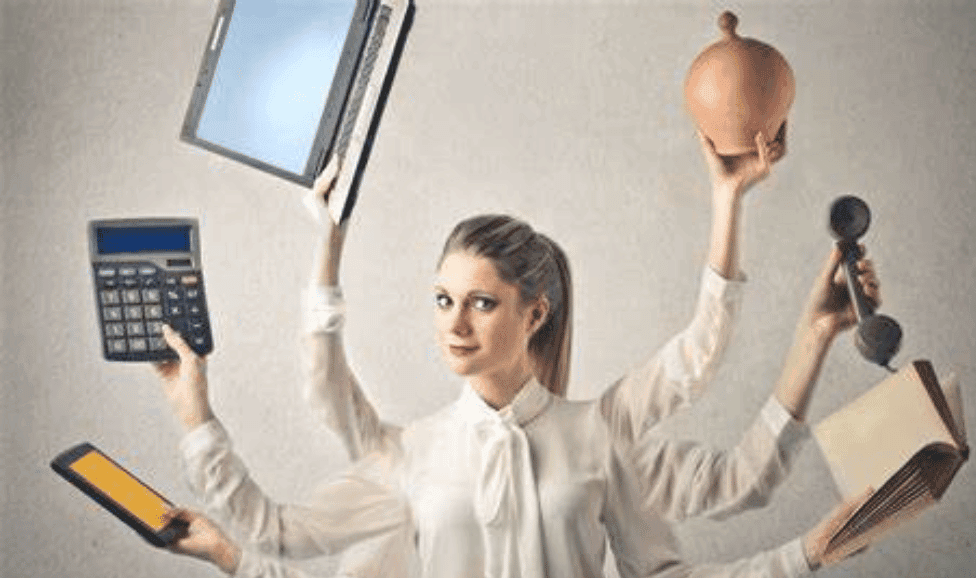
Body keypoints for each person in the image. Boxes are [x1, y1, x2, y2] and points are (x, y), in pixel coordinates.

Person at [154, 129, 880, 577]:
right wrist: (199, 432)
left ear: (534, 312)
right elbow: (280, 524)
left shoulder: (597, 437)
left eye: (480, 302)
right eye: (442, 300)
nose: (454, 325)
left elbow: (726, 444)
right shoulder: (415, 454)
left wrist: (803, 553)